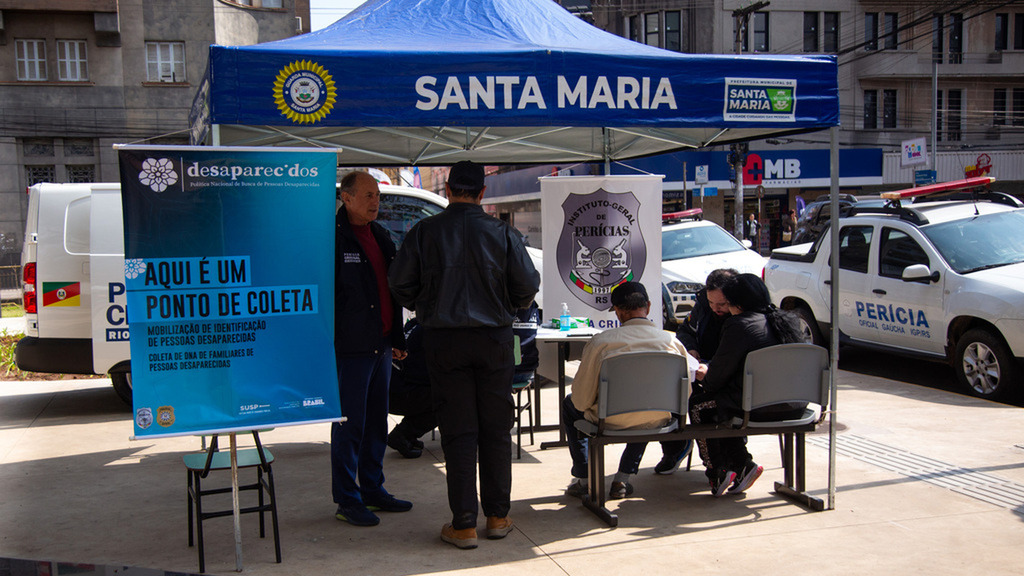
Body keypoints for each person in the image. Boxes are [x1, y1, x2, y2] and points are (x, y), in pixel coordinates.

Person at [389, 161, 540, 550]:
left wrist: (426, 304)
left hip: (444, 340)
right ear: (482, 192)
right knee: (495, 429)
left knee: (458, 432)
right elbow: (527, 285)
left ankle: (464, 524)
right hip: (494, 340)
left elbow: (399, 283)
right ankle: (498, 516)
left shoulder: (426, 231)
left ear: (448, 190)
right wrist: (507, 304)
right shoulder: (502, 232)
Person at [561, 282, 694, 500]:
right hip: (656, 418)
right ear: (648, 306)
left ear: (618, 311)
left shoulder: (602, 343)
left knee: (570, 404)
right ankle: (623, 478)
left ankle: (584, 478)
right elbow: (684, 394)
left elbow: (581, 400)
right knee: (646, 406)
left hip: (608, 419)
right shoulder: (673, 342)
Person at [332, 171, 411, 527]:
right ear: (347, 198)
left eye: (377, 195)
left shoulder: (380, 235)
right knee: (351, 426)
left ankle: (373, 489)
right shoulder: (334, 238)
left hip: (381, 345)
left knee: (377, 422)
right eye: (368, 195)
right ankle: (347, 500)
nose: (375, 201)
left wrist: (397, 339)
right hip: (352, 349)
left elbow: (391, 292)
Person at [690, 273, 804, 497]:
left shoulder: (739, 325)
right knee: (723, 404)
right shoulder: (787, 320)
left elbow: (714, 380)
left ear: (737, 303)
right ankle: (742, 464)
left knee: (699, 405)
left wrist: (703, 373)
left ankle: (718, 471)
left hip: (757, 407)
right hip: (796, 404)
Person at [653, 268, 739, 475]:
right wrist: (691, 348)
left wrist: (714, 369)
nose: (716, 308)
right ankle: (675, 447)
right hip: (699, 367)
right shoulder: (702, 305)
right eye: (711, 303)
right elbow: (685, 330)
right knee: (669, 387)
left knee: (701, 403)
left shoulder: (743, 317)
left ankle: (729, 459)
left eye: (722, 304)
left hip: (727, 377)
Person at [386, 319, 434, 459]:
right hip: (402, 391)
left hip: (391, 387)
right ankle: (403, 434)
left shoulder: (415, 323)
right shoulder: (432, 329)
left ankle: (408, 434)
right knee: (448, 398)